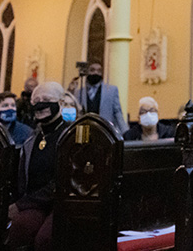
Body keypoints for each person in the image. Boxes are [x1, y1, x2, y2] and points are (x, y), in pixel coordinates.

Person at [9, 81, 72, 250]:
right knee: (20, 227)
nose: (40, 104)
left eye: (46, 99)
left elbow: (63, 181)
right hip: (35, 203)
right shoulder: (30, 141)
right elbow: (22, 181)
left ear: (61, 102)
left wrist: (24, 204)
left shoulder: (70, 137)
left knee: (45, 239)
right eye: (36, 100)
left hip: (63, 203)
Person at [72, 62, 128, 134]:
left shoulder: (111, 90)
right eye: (92, 70)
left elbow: (117, 112)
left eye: (99, 71)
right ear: (87, 72)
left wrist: (125, 131)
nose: (96, 73)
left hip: (105, 130)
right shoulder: (79, 92)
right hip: (84, 131)